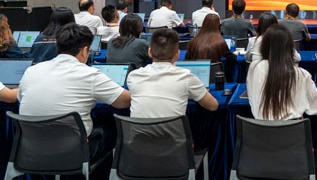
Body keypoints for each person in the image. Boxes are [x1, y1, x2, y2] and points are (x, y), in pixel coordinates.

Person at [18, 23, 131, 163]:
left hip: (31, 151)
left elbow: (20, 98)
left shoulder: (31, 71)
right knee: (112, 129)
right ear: (84, 50)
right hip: (73, 154)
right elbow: (125, 101)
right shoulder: (89, 74)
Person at [127, 28, 218, 118]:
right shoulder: (186, 77)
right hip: (174, 128)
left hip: (137, 129)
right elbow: (213, 106)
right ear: (177, 54)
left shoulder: (133, 76)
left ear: (149, 52)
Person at [247, 24, 317, 120]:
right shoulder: (301, 74)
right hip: (294, 127)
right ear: (290, 47)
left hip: (259, 127)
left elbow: (252, 97)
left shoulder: (254, 67)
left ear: (263, 46)